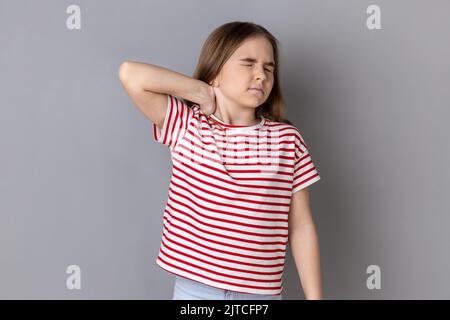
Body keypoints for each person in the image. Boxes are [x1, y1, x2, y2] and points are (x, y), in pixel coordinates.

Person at [119, 21, 323, 300]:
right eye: (248, 63)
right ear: (215, 72)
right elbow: (131, 74)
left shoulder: (287, 140)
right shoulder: (187, 124)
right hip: (195, 291)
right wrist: (200, 91)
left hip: (258, 296)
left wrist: (315, 298)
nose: (260, 75)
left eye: (268, 68)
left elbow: (301, 226)